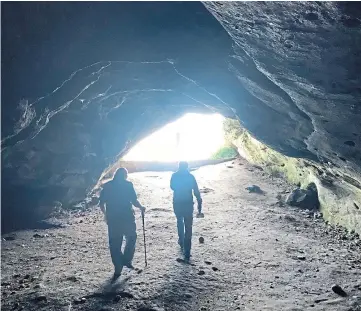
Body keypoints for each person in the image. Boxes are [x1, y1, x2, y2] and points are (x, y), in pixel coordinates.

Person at [99, 167, 145, 278]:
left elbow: (101, 203)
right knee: (132, 237)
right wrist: (141, 207)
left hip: (113, 218)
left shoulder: (108, 186)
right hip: (127, 217)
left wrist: (106, 215)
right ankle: (127, 259)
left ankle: (118, 267)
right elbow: (134, 201)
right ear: (125, 175)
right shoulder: (128, 185)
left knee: (115, 244)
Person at [170, 161, 202, 261]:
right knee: (188, 226)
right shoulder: (191, 177)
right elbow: (196, 190)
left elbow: (172, 187)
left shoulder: (174, 175)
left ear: (179, 167)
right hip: (188, 203)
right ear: (187, 167)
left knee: (179, 221)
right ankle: (187, 251)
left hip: (177, 203)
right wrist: (199, 203)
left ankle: (181, 241)